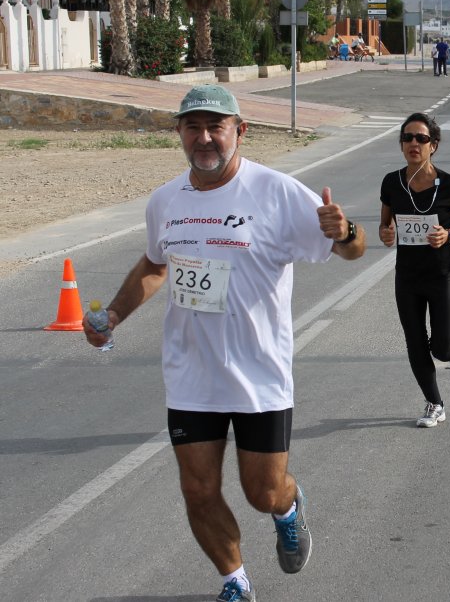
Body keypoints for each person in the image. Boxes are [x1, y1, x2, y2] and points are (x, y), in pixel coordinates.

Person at [83, 84, 367, 602]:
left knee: (261, 491)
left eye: (217, 126)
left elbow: (352, 249)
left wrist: (345, 230)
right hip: (191, 374)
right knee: (198, 490)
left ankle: (288, 506)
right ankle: (234, 580)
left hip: (259, 374)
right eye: (194, 127)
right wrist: (116, 314)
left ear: (241, 131)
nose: (206, 138)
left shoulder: (277, 192)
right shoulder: (166, 200)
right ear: (179, 134)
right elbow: (154, 264)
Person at [379, 113, 450, 429]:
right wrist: (386, 233)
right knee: (416, 342)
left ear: (433, 145)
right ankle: (434, 403)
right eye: (408, 137)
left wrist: (448, 234)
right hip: (407, 275)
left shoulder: (449, 184)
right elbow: (384, 223)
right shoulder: (391, 183)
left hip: (442, 271)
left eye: (421, 139)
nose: (413, 144)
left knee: (441, 345)